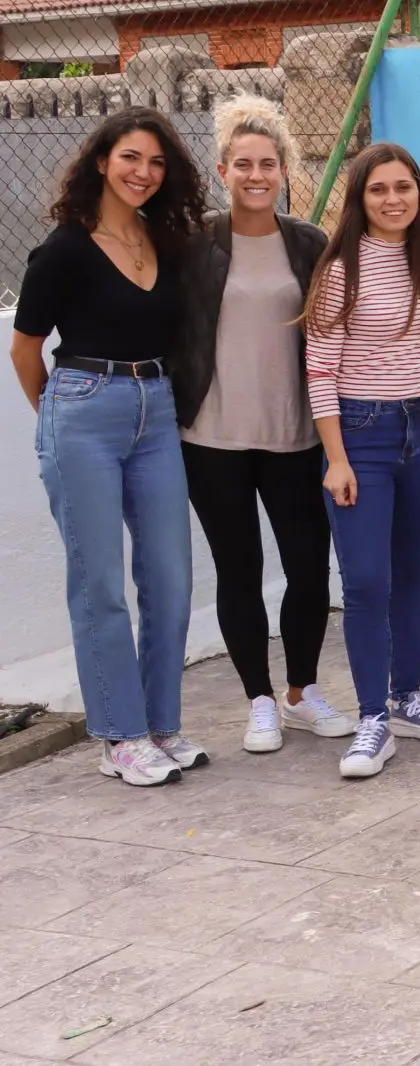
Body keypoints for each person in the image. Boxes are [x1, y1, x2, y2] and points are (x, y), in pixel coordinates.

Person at [10, 108, 208, 786]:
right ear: (101, 161)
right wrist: (59, 419)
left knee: (170, 578)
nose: (143, 173)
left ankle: (161, 724)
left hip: (157, 411)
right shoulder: (65, 249)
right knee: (99, 582)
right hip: (83, 409)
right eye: (130, 157)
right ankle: (120, 736)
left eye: (155, 162)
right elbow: (26, 350)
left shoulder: (164, 241)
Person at [172, 97, 353, 754]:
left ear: (283, 170)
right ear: (223, 170)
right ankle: (260, 702)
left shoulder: (308, 244)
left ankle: (301, 693)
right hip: (212, 437)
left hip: (295, 436)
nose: (255, 175)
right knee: (239, 570)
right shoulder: (193, 244)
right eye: (243, 164)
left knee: (309, 570)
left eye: (267, 164)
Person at [303, 143, 420, 778]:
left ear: (419, 194)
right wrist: (336, 458)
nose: (393, 199)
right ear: (359, 197)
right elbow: (320, 371)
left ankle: (406, 699)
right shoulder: (338, 269)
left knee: (411, 573)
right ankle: (372, 716)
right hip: (361, 436)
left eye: (404, 187)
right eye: (379, 189)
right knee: (366, 581)